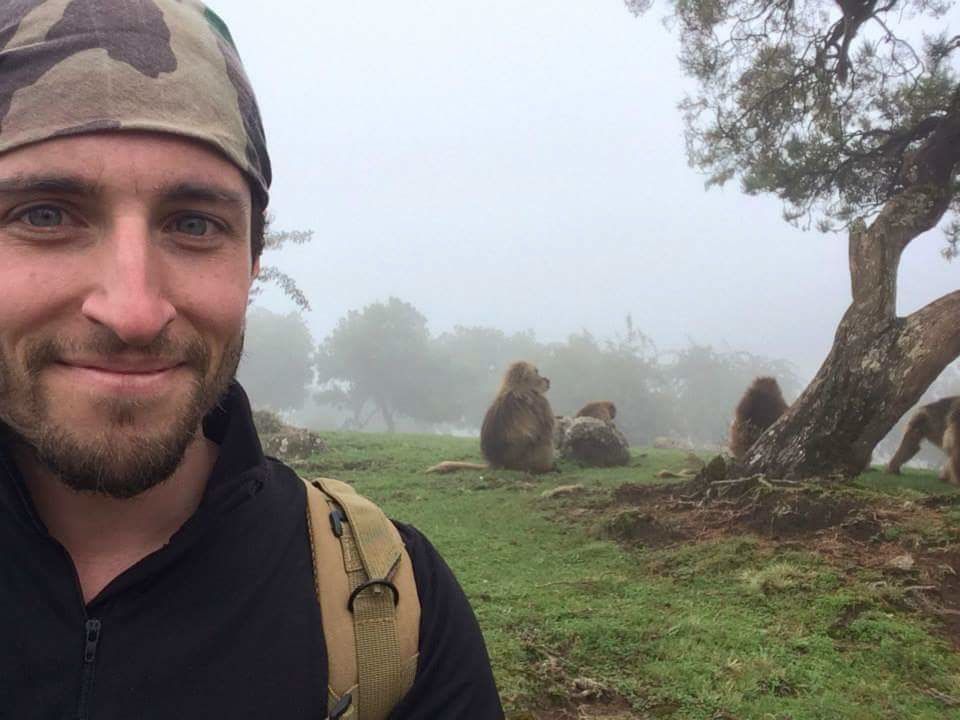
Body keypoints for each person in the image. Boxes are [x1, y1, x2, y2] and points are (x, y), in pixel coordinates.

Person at [0, 2, 503, 718]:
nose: (134, 310)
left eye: (195, 224)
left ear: (252, 262)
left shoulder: (391, 609)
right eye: (45, 214)